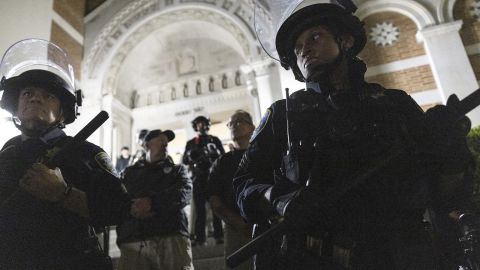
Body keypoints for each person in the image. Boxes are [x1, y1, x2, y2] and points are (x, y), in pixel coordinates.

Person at [233, 1, 477, 269]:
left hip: (402, 254)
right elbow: (245, 184)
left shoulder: (394, 104)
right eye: (298, 47)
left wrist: (448, 147)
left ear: (345, 41)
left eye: (315, 37)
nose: (305, 50)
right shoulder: (283, 115)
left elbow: (445, 189)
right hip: (321, 259)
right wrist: (279, 199)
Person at [0, 39, 149, 269]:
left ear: (62, 113)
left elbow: (120, 209)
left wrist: (63, 193)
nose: (35, 98)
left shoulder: (85, 152)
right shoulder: (7, 153)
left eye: (48, 95)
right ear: (16, 105)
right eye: (27, 92)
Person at [116, 129, 194, 270]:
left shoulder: (178, 170)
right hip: (135, 238)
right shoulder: (129, 173)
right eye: (160, 141)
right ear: (146, 145)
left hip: (171, 235)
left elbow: (185, 193)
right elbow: (118, 198)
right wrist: (132, 208)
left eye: (166, 142)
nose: (165, 144)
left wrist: (152, 203)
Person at [208, 110, 256, 270]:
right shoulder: (222, 162)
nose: (234, 126)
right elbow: (215, 199)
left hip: (267, 225)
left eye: (239, 121)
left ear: (252, 127)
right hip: (236, 229)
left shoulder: (264, 154)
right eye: (231, 123)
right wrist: (239, 223)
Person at [183, 115, 225, 245]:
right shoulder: (191, 143)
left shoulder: (215, 140)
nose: (201, 126)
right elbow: (185, 160)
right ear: (195, 126)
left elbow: (223, 156)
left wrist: (214, 152)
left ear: (207, 125)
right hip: (198, 178)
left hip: (213, 177)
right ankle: (200, 238)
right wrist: (192, 156)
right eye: (198, 124)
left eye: (203, 123)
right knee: (200, 210)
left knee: (216, 208)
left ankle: (219, 236)